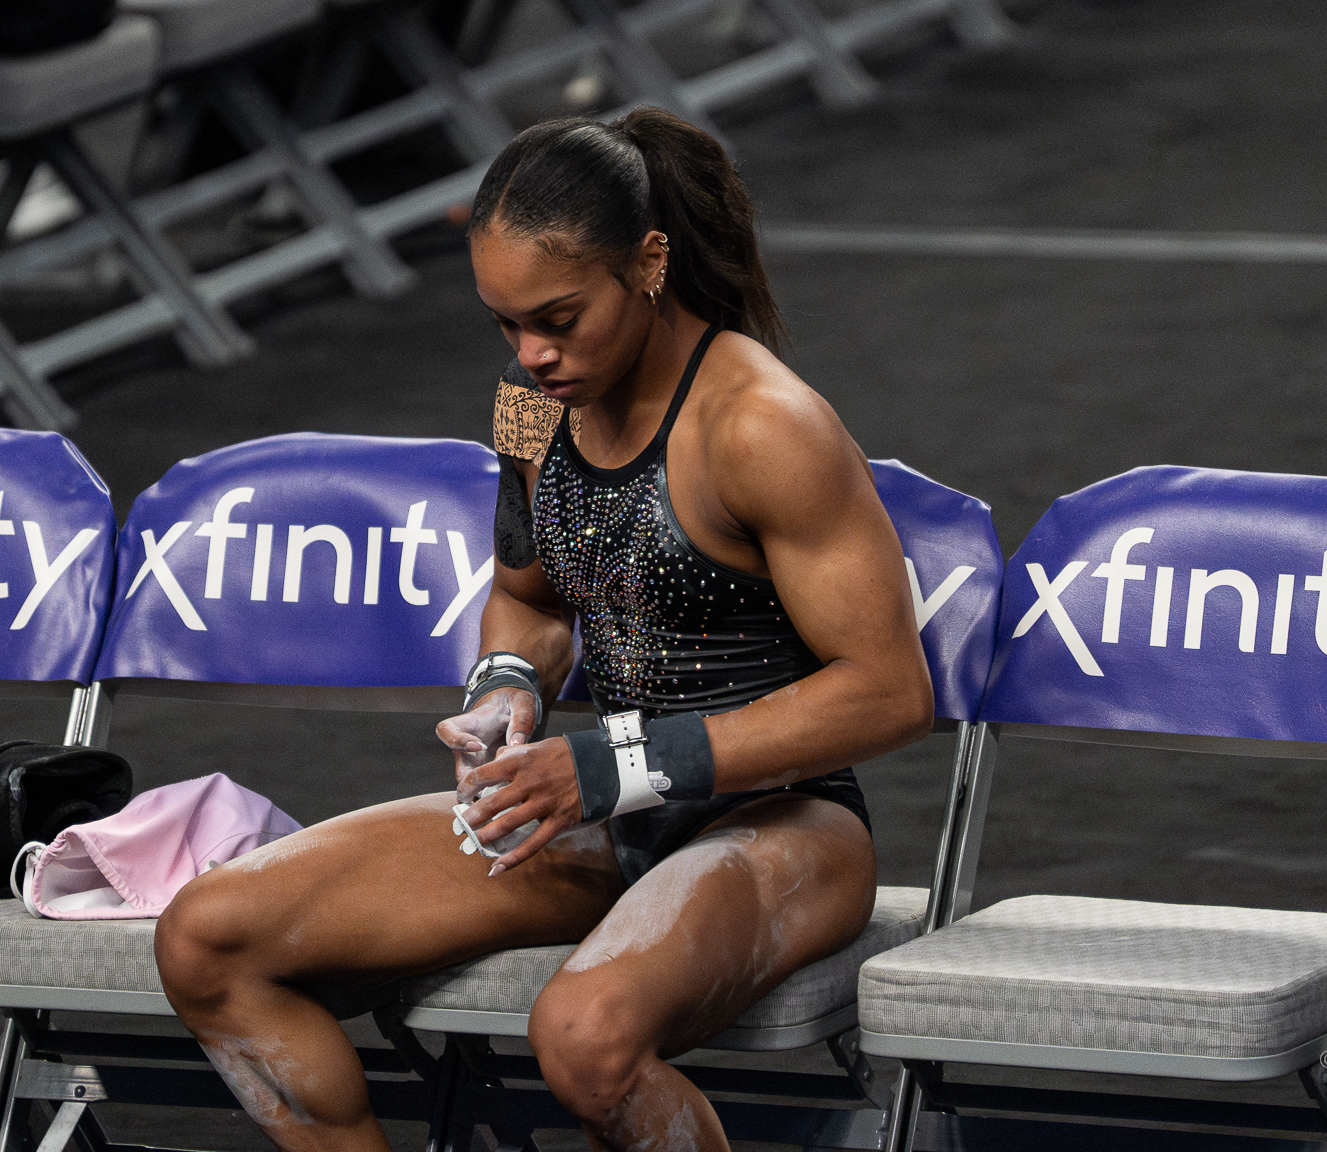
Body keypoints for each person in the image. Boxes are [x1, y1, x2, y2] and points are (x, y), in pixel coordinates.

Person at [155, 107, 934, 1150]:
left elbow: (888, 692)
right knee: (206, 939)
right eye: (506, 326)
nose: (533, 354)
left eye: (560, 318)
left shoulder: (762, 425)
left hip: (784, 826)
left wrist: (613, 764)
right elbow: (529, 598)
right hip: (608, 813)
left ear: (647, 264)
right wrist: (505, 687)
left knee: (583, 1038)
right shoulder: (528, 408)